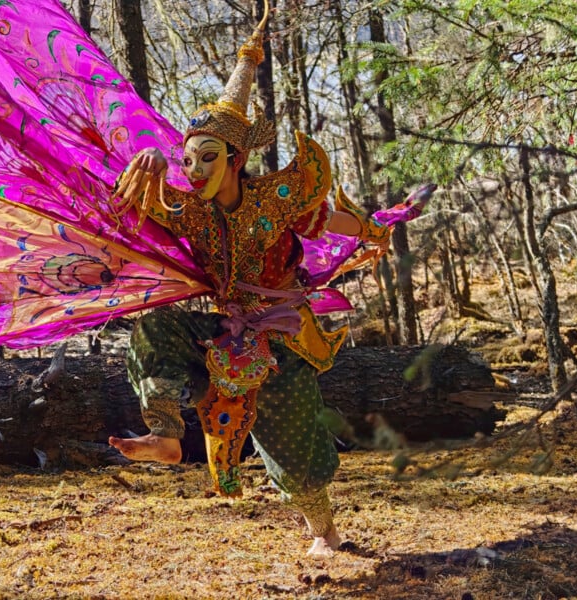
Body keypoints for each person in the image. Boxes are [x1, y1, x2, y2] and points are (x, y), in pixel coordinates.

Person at [108, 6, 392, 558]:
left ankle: (323, 532)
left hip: (281, 335)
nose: (192, 171)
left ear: (236, 160)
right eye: (186, 160)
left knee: (292, 449)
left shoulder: (276, 199)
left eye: (206, 159)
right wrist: (140, 166)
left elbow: (324, 216)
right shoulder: (187, 209)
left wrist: (372, 228)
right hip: (219, 325)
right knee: (154, 330)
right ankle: (165, 432)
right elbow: (125, 213)